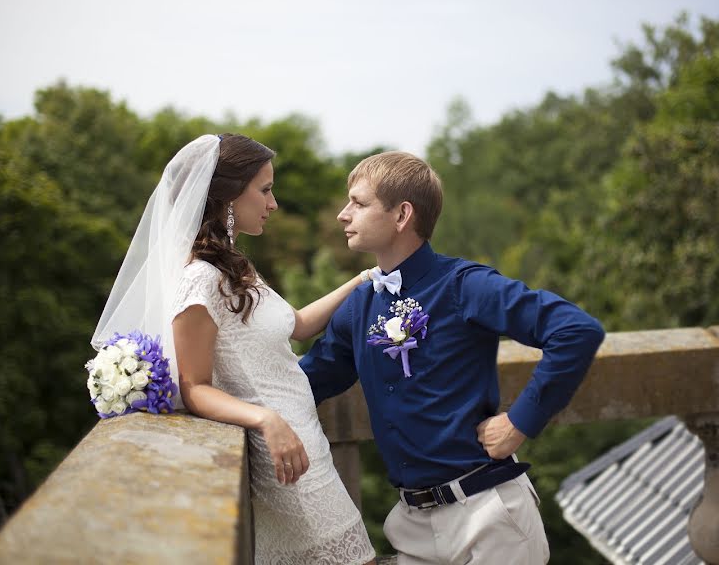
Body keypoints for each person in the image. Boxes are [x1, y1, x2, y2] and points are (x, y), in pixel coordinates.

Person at [299, 151, 605, 564]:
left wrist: (520, 422)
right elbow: (308, 380)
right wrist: (218, 398)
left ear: (402, 214)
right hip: (412, 527)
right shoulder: (360, 305)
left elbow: (576, 331)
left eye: (359, 202)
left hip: (490, 519)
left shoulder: (466, 285)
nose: (342, 214)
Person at [93, 134, 375, 564]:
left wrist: (363, 280)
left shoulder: (236, 266)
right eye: (264, 189)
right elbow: (194, 385)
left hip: (309, 447)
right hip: (282, 460)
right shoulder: (199, 279)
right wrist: (266, 419)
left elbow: (296, 325)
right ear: (226, 194)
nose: (274, 203)